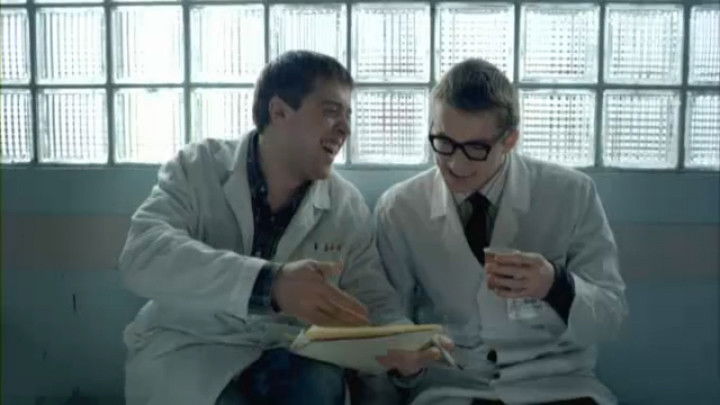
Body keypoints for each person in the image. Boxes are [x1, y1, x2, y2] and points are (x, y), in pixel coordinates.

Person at [118, 50, 408, 405]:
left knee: (318, 387)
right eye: (331, 111)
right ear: (279, 111)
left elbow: (371, 298)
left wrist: (404, 339)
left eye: (349, 115)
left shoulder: (346, 205)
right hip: (191, 344)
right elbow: (142, 254)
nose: (345, 128)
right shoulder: (197, 167)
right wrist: (270, 284)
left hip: (290, 353)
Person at [373, 58, 628, 405]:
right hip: (453, 384)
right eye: (443, 142)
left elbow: (610, 314)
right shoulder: (399, 209)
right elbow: (389, 315)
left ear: (510, 140)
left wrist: (555, 284)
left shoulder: (571, 194)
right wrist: (407, 364)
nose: (456, 164)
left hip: (557, 383)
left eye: (476, 149)